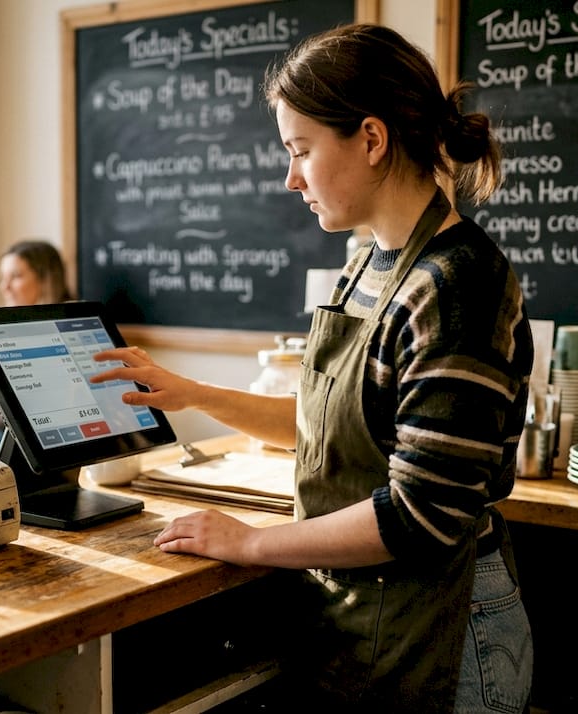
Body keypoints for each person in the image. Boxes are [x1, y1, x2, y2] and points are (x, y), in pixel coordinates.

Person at [90, 24, 534, 712]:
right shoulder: (366, 263)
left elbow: (424, 513)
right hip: (368, 613)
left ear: (372, 139)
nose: (290, 176)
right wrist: (189, 393)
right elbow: (329, 428)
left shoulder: (456, 287)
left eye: (301, 150)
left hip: (447, 632)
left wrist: (252, 541)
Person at [0, 239, 73, 455]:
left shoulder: (51, 327)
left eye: (16, 277)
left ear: (46, 279)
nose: (5, 287)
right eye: (3, 278)